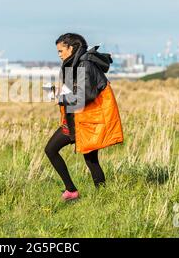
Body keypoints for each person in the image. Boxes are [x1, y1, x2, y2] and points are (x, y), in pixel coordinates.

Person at [44, 33, 124, 201]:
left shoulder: (84, 64)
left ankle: (99, 196)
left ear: (71, 48)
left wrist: (59, 97)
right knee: (55, 151)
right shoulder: (74, 63)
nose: (59, 55)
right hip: (75, 120)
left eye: (61, 51)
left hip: (87, 121)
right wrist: (58, 92)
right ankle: (74, 191)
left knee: (89, 159)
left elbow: (84, 96)